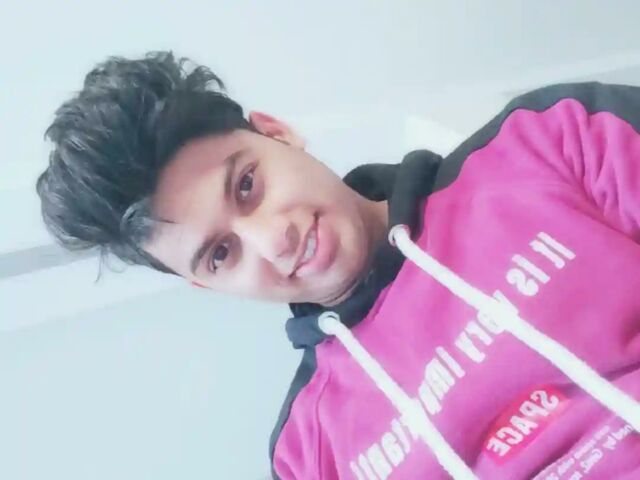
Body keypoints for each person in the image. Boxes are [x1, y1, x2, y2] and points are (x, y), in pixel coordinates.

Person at [36, 51, 640, 479]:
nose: (274, 240)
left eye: (247, 186)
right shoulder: (307, 452)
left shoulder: (547, 140)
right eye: (222, 253)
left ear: (277, 133)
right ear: (205, 284)